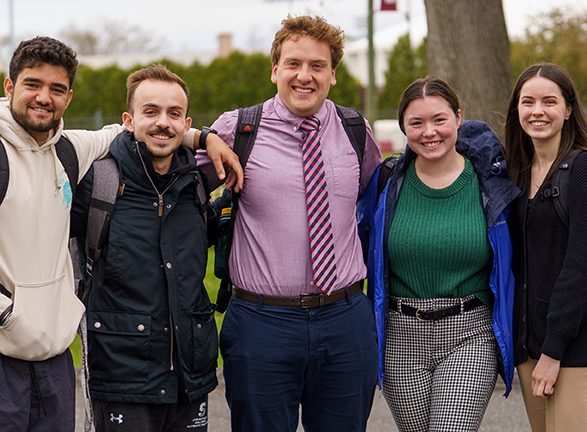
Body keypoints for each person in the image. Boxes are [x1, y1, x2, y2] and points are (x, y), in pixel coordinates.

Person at [0, 36, 241, 432]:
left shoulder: (71, 150)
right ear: (9, 87)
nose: (44, 97)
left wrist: (205, 136)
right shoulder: (96, 180)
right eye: (32, 85)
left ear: (70, 97)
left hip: (62, 356)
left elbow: (153, 129)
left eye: (57, 89)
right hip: (26, 351)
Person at [196, 14, 382, 432]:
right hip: (262, 324)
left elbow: (376, 197)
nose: (305, 76)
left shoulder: (355, 130)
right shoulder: (238, 128)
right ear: (275, 69)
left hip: (345, 319)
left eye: (317, 66)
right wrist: (200, 136)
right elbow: (171, 180)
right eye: (294, 63)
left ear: (333, 74)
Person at [70, 64, 220, 432]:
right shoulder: (97, 181)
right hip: (122, 377)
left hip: (190, 376)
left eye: (174, 114)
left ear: (187, 126)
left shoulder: (197, 185)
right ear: (129, 119)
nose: (162, 123)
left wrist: (209, 139)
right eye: (150, 111)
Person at [366, 76, 519, 431]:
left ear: (458, 118)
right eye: (416, 123)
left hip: (469, 333)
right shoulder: (387, 183)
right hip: (400, 337)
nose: (429, 132)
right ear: (404, 126)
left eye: (439, 120)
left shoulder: (493, 183)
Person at [505, 63, 587, 432]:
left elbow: (580, 264)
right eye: (528, 101)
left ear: (568, 109)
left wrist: (554, 350)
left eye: (549, 101)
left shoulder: (581, 168)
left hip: (572, 347)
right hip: (529, 345)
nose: (537, 110)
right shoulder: (517, 174)